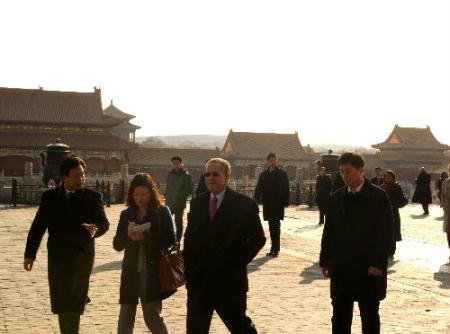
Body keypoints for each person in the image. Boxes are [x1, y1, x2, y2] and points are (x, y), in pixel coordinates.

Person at [24, 156, 109, 334]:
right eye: (77, 176)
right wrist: (30, 254)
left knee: (73, 304)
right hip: (58, 257)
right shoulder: (50, 197)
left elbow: (103, 223)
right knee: (61, 303)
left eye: (83, 175)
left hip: (81, 257)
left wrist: (95, 230)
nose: (81, 179)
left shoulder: (92, 197)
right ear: (64, 177)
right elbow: (38, 227)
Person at [184, 158, 266, 333]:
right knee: (195, 329)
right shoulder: (197, 203)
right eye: (207, 174)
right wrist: (189, 272)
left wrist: (236, 261)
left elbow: (258, 239)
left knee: (240, 327)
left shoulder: (244, 204)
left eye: (215, 174)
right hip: (200, 281)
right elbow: (189, 239)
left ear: (226, 176)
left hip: (229, 281)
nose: (210, 178)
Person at [320, 153, 393, 334]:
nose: (345, 176)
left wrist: (377, 264)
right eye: (342, 172)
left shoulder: (378, 197)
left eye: (349, 171)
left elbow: (385, 234)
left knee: (369, 316)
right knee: (339, 317)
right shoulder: (337, 197)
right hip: (341, 266)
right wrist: (326, 260)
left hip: (367, 266)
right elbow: (329, 231)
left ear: (361, 171)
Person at [113, 173, 176, 334]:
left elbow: (170, 239)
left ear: (152, 192)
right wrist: (128, 235)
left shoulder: (162, 211)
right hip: (131, 271)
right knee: (126, 316)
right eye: (136, 195)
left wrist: (145, 237)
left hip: (154, 271)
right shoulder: (126, 214)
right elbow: (117, 245)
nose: (140, 198)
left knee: (152, 317)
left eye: (144, 194)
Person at [254, 152, 290, 257]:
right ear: (268, 162)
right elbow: (258, 188)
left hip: (278, 204)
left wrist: (286, 202)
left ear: (277, 161)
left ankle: (276, 249)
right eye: (271, 160)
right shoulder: (263, 175)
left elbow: (286, 189)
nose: (273, 162)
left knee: (276, 226)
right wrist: (255, 200)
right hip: (268, 204)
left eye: (275, 160)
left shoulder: (282, 174)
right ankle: (273, 248)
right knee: (271, 226)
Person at [164, 156, 193, 242]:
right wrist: (166, 195)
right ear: (172, 164)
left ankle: (177, 241)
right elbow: (168, 186)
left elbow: (190, 189)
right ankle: (168, 239)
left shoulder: (186, 175)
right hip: (169, 202)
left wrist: (179, 195)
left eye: (177, 163)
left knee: (178, 222)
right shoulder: (170, 174)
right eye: (174, 163)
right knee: (166, 221)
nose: (176, 165)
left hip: (179, 203)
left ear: (181, 164)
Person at [381, 169, 408, 258]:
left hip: (394, 212)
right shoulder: (381, 188)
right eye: (386, 176)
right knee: (384, 231)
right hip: (383, 213)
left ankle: (391, 251)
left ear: (393, 177)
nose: (388, 178)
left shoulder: (397, 187)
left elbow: (401, 199)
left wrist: (400, 202)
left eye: (389, 176)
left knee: (393, 231)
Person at [440, 165, 450, 259]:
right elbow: (442, 195)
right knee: (448, 232)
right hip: (448, 212)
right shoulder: (445, 182)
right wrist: (443, 204)